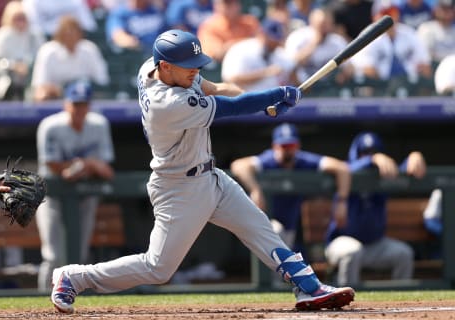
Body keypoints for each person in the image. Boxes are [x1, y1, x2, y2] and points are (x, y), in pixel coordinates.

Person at [50, 29, 355, 314]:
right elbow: (229, 108)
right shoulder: (167, 103)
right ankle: (74, 277)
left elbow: (218, 89)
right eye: (187, 65)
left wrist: (262, 104)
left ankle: (309, 288)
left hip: (210, 176)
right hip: (178, 188)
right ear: (165, 67)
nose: (194, 69)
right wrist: (274, 96)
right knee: (158, 269)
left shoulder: (155, 68)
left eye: (196, 63)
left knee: (260, 229)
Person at [36, 80, 115, 291]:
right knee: (52, 256)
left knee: (78, 257)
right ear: (66, 104)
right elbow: (53, 166)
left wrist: (84, 165)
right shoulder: (51, 125)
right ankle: (41, 305)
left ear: (89, 105)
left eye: (83, 104)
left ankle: (72, 301)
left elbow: (105, 168)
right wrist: (87, 164)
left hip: (85, 196)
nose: (79, 109)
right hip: (51, 196)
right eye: (75, 104)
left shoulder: (99, 124)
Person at [325, 131, 426, 287]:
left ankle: (401, 303)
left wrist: (414, 156)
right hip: (341, 242)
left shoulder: (382, 174)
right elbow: (348, 168)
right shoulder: (344, 173)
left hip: (375, 245)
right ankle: (344, 300)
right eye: (364, 153)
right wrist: (372, 159)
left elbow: (402, 170)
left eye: (374, 152)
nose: (369, 155)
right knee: (353, 251)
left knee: (404, 254)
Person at [230, 123, 351, 253]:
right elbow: (238, 165)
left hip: (290, 229)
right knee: (276, 232)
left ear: (297, 146)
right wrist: (255, 190)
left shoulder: (303, 161)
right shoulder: (268, 160)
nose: (287, 150)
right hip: (264, 226)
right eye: (283, 146)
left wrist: (341, 201)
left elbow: (342, 168)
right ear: (275, 146)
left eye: (291, 145)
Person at [30, 15, 109, 101]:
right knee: (42, 96)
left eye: (74, 31)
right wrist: (60, 90)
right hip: (56, 98)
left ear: (80, 33)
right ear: (60, 33)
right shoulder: (47, 51)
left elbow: (102, 80)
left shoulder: (90, 49)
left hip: (85, 99)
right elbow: (40, 86)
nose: (71, 36)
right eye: (67, 32)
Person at [0, 1, 44, 101]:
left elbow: (41, 58)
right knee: (3, 83)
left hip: (29, 76)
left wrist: (27, 65)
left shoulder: (35, 35)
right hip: (5, 76)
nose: (20, 21)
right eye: (17, 18)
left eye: (23, 18)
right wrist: (13, 66)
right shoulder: (1, 35)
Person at [284, 8, 353, 93]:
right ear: (312, 23)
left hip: (328, 87)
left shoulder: (337, 41)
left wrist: (342, 76)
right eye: (321, 24)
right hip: (301, 86)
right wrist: (314, 44)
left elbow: (349, 66)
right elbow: (289, 64)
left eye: (327, 24)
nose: (324, 28)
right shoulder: (298, 37)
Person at [221, 19, 295, 91]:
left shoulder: (279, 53)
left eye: (278, 39)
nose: (275, 42)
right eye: (272, 38)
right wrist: (265, 73)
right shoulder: (241, 49)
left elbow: (293, 74)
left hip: (274, 100)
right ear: (262, 34)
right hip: (245, 99)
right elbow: (231, 79)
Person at [21, 0, 97, 37]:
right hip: (48, 39)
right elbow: (35, 29)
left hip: (76, 39)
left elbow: (89, 25)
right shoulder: (32, 2)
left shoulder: (76, 1)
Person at [417, 0, 455, 65]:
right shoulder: (426, 28)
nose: (446, 12)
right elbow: (425, 55)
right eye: (443, 9)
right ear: (436, 10)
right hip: (435, 65)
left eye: (449, 9)